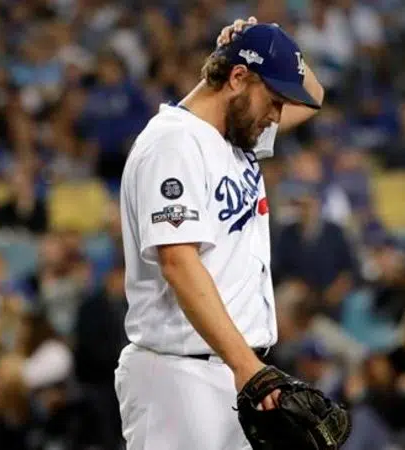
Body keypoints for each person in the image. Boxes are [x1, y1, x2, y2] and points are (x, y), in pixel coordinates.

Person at [114, 16, 325, 450]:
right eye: (274, 100)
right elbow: (178, 262)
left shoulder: (236, 134)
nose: (277, 115)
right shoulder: (174, 143)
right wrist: (248, 368)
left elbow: (315, 97)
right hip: (180, 375)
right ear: (237, 78)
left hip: (232, 369)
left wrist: (262, 40)